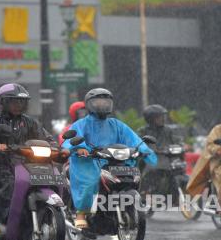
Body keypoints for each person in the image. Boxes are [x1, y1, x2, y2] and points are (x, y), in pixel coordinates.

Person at [62, 88, 157, 229]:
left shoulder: (116, 124)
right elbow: (72, 139)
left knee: (130, 177)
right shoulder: (82, 124)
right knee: (90, 182)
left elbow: (133, 138)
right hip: (89, 161)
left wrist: (143, 149)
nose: (103, 105)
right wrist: (80, 148)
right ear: (89, 104)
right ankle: (81, 213)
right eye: (98, 102)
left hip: (113, 161)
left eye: (106, 102)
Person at [0, 83, 56, 236]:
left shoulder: (30, 123)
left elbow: (46, 138)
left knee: (54, 180)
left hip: (27, 165)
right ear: (3, 103)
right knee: (9, 185)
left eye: (21, 102)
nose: (18, 105)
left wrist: (55, 147)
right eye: (14, 101)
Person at [138, 104, 183, 197]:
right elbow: (137, 143)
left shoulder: (168, 130)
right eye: (159, 117)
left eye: (163, 116)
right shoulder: (143, 131)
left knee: (178, 170)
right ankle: (143, 191)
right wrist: (146, 149)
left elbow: (176, 141)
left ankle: (173, 194)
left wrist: (181, 146)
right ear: (150, 119)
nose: (163, 119)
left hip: (167, 159)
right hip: (150, 160)